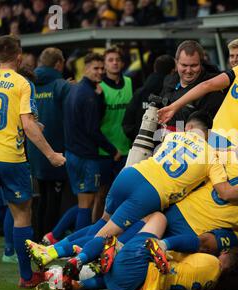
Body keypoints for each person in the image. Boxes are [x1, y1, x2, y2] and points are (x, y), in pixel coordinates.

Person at [60, 111, 238, 280]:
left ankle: (58, 251)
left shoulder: (182, 139)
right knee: (131, 252)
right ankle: (80, 268)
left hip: (138, 180)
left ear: (188, 127)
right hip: (174, 216)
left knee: (107, 229)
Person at [0, 35, 65, 289]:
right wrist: (51, 155)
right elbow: (28, 124)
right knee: (22, 215)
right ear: (19, 56)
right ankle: (27, 277)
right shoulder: (22, 83)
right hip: (11, 158)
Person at [62, 212, 238, 290]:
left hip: (139, 260)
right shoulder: (210, 285)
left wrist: (164, 245)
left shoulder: (210, 261)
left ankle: (82, 257)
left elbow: (178, 255)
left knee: (157, 217)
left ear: (224, 253)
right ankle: (80, 285)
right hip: (128, 285)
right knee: (116, 272)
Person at [158, 53, 238, 152]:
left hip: (227, 140)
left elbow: (207, 85)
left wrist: (174, 106)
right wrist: (173, 107)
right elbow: (207, 85)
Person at [63, 52, 121, 238]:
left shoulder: (76, 89)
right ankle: (78, 245)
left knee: (83, 202)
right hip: (85, 156)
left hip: (72, 152)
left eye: (101, 68)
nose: (100, 72)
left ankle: (56, 236)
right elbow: (92, 130)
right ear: (85, 68)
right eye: (96, 68)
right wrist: (113, 150)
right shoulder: (88, 95)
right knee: (86, 205)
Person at [28, 47, 72, 241]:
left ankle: (38, 236)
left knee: (41, 195)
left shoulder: (29, 84)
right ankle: (49, 237)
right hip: (56, 149)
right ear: (58, 64)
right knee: (54, 197)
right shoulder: (62, 86)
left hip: (33, 150)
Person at [93, 47, 133, 222]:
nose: (115, 62)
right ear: (104, 65)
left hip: (127, 148)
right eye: (110, 60)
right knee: (102, 194)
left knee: (125, 193)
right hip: (105, 150)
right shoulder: (98, 88)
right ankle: (95, 229)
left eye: (117, 59)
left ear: (122, 63)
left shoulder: (130, 83)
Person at [159, 40, 225, 131]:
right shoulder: (169, 81)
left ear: (201, 64)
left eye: (193, 65)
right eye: (184, 65)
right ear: (176, 62)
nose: (188, 70)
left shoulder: (212, 90)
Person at [122, 54, 175, 143]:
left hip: (140, 147)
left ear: (154, 69)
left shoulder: (140, 93)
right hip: (165, 147)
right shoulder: (174, 94)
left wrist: (138, 138)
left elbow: (127, 123)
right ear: (173, 72)